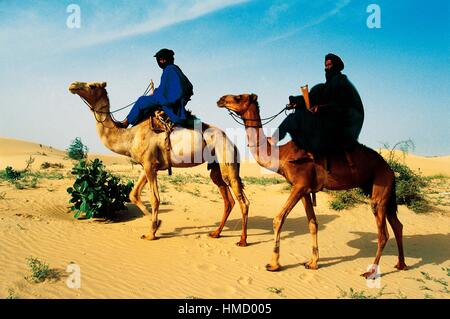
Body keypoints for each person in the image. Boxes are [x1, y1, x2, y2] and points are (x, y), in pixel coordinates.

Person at [270, 53, 364, 155]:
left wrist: (321, 108)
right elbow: (312, 99)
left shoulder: (341, 82)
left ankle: (273, 139)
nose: (327, 68)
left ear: (336, 66)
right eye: (326, 65)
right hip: (329, 122)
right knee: (299, 112)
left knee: (294, 118)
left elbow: (341, 105)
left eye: (329, 65)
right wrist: (295, 103)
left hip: (340, 127)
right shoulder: (327, 86)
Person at [117, 48, 194, 128]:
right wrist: (157, 93)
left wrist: (156, 94)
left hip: (168, 100)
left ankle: (126, 123)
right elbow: (171, 88)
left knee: (141, 101)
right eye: (159, 60)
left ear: (165, 60)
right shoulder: (174, 69)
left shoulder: (169, 70)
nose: (160, 62)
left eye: (161, 60)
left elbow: (167, 91)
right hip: (169, 99)